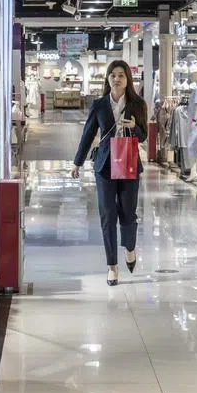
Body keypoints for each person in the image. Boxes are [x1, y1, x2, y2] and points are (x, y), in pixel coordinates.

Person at [71, 60, 148, 286]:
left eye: (121, 75)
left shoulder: (138, 104)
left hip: (129, 164)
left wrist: (134, 127)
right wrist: (77, 162)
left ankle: (130, 248)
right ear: (108, 78)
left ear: (128, 79)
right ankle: (112, 266)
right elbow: (88, 134)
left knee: (128, 213)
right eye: (113, 75)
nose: (117, 79)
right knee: (107, 215)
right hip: (104, 165)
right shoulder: (99, 105)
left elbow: (144, 135)